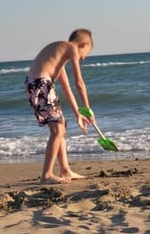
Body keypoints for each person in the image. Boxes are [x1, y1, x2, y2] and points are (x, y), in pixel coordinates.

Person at [24, 28, 95, 184]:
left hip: (39, 84)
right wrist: (88, 108)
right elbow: (79, 83)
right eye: (86, 53)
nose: (83, 58)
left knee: (62, 126)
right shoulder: (71, 48)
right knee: (57, 129)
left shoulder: (59, 55)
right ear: (82, 44)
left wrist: (79, 113)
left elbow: (67, 87)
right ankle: (47, 175)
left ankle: (65, 170)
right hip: (41, 84)